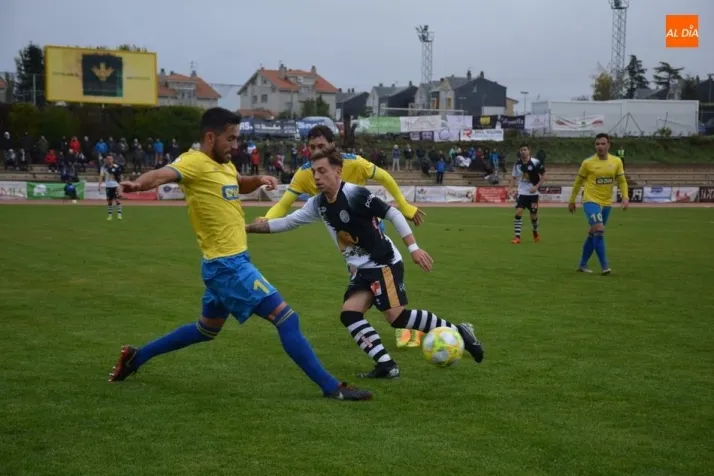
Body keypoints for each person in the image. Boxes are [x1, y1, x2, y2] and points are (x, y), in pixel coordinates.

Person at [109, 108, 372, 401]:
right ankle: (331, 387)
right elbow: (162, 174)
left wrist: (257, 179)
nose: (235, 145)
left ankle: (137, 357)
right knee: (287, 319)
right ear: (211, 137)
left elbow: (236, 183)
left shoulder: (225, 165)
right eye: (230, 139)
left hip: (228, 264)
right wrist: (138, 184)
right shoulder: (194, 162)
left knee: (205, 330)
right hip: (228, 266)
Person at [247, 147, 485, 379]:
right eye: (314, 172)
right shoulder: (318, 203)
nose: (316, 177)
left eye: (322, 171)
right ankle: (386, 365)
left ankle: (459, 332)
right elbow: (287, 222)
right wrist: (245, 228)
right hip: (361, 270)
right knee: (350, 314)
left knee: (397, 318)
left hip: (384, 263)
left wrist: (414, 248)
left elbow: (393, 214)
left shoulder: (355, 194)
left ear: (338, 171)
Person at [263, 125, 427, 349]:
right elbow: (284, 205)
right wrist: (266, 220)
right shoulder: (305, 173)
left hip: (371, 232)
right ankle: (382, 330)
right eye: (312, 147)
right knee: (366, 293)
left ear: (332, 145)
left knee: (384, 286)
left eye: (321, 146)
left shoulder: (354, 162)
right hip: (346, 241)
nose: (316, 150)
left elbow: (385, 177)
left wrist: (404, 205)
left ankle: (404, 329)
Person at [568, 133, 629, 275]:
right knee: (599, 230)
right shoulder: (587, 163)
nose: (600, 146)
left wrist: (625, 197)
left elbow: (622, 181)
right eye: (597, 144)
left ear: (609, 145)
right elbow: (578, 182)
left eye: (603, 144)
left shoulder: (616, 161)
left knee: (593, 232)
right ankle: (605, 266)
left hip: (607, 203)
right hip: (590, 201)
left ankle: (582, 264)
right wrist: (572, 200)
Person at [508, 144, 546, 244]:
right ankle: (517, 237)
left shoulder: (536, 162)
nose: (523, 152)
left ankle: (535, 232)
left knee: (533, 216)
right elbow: (513, 177)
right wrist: (510, 188)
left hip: (534, 194)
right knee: (518, 212)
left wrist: (536, 187)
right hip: (522, 193)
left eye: (525, 150)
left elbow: (544, 176)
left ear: (529, 151)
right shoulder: (517, 164)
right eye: (521, 150)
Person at [99, 155, 123, 220]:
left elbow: (120, 176)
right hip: (108, 186)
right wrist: (99, 184)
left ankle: (119, 215)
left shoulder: (117, 167)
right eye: (108, 159)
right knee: (109, 201)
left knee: (117, 200)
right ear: (106, 160)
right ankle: (110, 216)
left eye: (110, 159)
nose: (109, 160)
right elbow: (101, 176)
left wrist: (121, 185)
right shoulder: (103, 168)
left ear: (112, 160)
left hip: (116, 186)